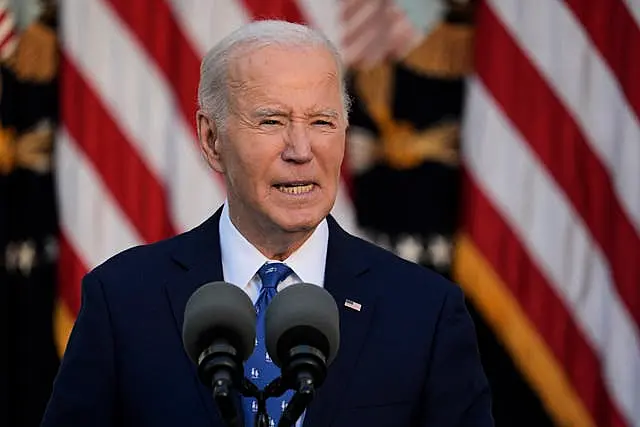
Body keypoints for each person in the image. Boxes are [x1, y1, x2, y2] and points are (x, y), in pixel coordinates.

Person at [41, 20, 493, 427]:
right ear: (211, 139)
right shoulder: (122, 300)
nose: (301, 149)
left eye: (321, 121)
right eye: (271, 121)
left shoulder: (424, 313)